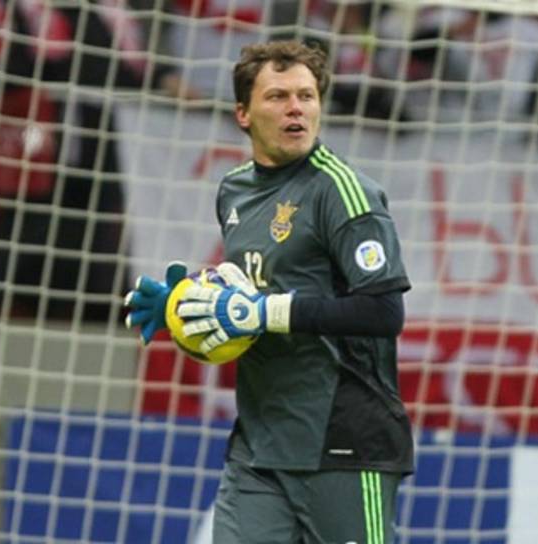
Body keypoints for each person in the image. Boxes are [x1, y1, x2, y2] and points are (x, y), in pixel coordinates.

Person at [125, 40, 413, 543]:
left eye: (306, 95)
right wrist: (179, 305)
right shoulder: (234, 190)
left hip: (343, 441)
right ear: (243, 113)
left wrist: (266, 313)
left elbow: (384, 311)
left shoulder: (345, 192)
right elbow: (250, 291)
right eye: (278, 96)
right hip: (260, 446)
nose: (296, 108)